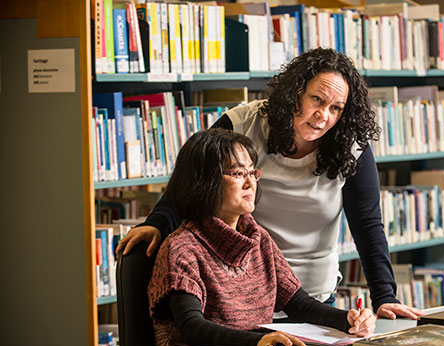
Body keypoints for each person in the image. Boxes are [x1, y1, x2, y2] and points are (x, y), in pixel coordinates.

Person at [119, 48, 424, 320]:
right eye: (316, 99)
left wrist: (385, 297)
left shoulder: (350, 144)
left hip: (313, 299)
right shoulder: (243, 124)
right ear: (295, 92)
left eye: (336, 108)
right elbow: (193, 178)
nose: (323, 115)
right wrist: (158, 223)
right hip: (244, 296)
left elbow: (368, 224)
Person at [148, 128, 375, 346]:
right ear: (203, 181)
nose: (250, 183)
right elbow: (192, 326)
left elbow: (299, 304)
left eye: (251, 172)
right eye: (237, 174)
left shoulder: (257, 238)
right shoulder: (183, 247)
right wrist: (256, 343)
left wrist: (348, 319)